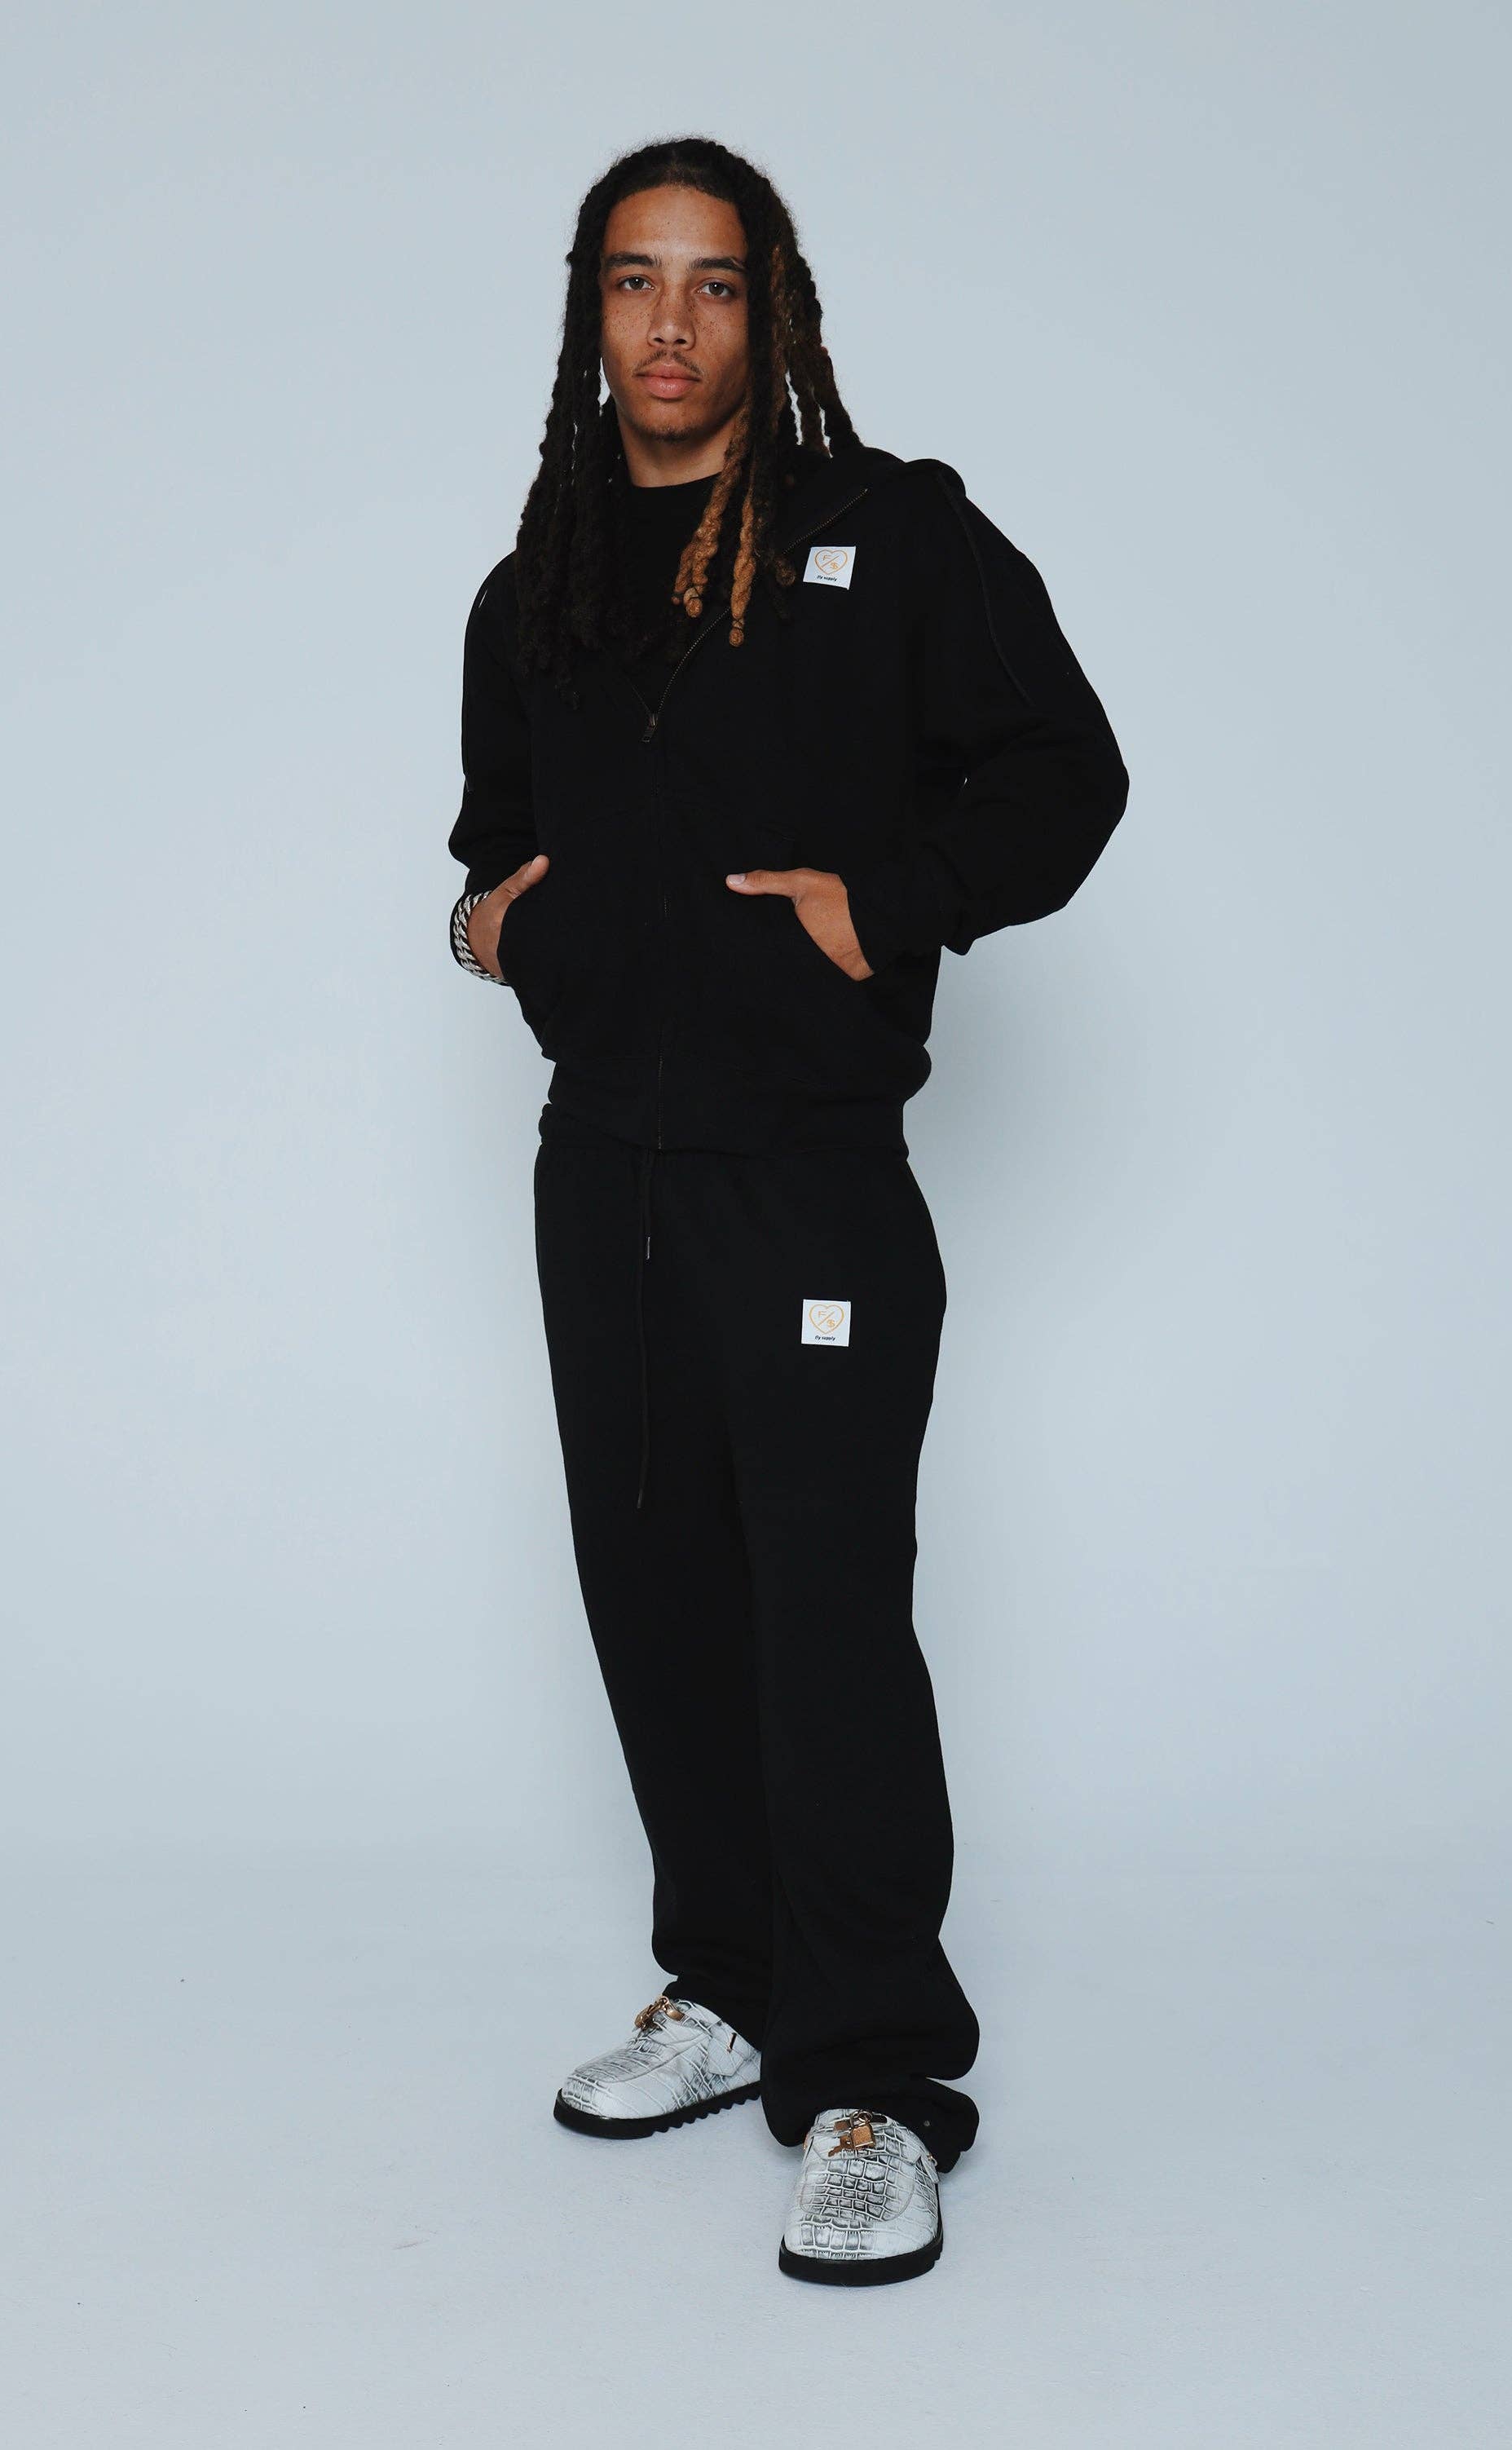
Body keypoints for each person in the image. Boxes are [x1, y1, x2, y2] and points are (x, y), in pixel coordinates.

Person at [447, 135, 1128, 2287]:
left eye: (716, 282)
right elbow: (491, 835)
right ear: (589, 311)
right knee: (655, 1597)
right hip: (601, 1175)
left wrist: (890, 905)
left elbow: (1066, 772)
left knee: (824, 1616)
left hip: (807, 1170)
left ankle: (874, 2086)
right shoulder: (539, 585)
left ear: (773, 309)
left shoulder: (887, 535)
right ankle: (732, 1984)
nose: (673, 323)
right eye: (634, 280)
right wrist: (495, 927)